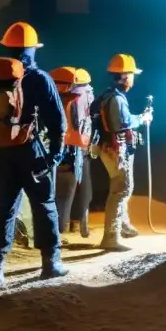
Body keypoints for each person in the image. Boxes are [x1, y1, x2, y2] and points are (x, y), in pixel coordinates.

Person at [0, 22, 66, 285]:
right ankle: (50, 263)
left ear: (8, 48)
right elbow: (57, 120)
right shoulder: (40, 78)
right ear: (32, 49)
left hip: (5, 153)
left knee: (4, 209)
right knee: (44, 206)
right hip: (33, 152)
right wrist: (55, 154)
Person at [96, 54, 152, 252]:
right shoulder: (116, 99)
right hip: (115, 150)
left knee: (123, 187)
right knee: (121, 189)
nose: (133, 79)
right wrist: (142, 118)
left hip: (109, 148)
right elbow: (122, 123)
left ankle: (124, 226)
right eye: (132, 75)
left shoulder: (109, 95)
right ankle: (111, 237)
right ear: (125, 76)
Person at [50, 66, 94, 239]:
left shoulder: (53, 95)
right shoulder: (85, 93)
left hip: (60, 149)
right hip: (81, 146)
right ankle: (79, 225)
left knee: (62, 194)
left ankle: (59, 232)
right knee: (83, 189)